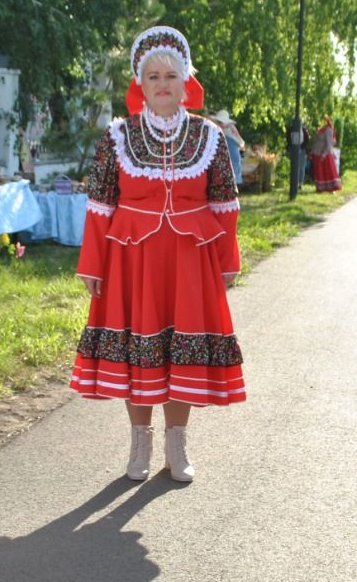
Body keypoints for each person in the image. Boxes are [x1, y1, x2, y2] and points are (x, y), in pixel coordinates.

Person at [71, 26, 245, 482]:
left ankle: (177, 446)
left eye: (171, 74)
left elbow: (226, 205)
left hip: (190, 263)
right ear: (140, 84)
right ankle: (139, 445)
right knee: (139, 352)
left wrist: (227, 265)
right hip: (131, 262)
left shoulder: (209, 137)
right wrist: (92, 263)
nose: (163, 83)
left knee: (181, 352)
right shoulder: (118, 136)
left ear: (186, 81)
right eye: (153, 76)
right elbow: (100, 202)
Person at [212, 108, 246, 185]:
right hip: (228, 155)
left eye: (221, 122)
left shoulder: (229, 129)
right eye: (219, 122)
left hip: (232, 153)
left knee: (233, 169)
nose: (219, 124)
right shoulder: (222, 130)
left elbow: (240, 141)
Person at [308, 115, 341, 193]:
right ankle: (320, 188)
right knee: (319, 172)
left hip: (325, 154)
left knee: (328, 171)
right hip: (317, 153)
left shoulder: (328, 129)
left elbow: (329, 144)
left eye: (323, 120)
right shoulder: (320, 130)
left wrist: (324, 154)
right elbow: (316, 142)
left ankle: (331, 189)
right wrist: (312, 152)